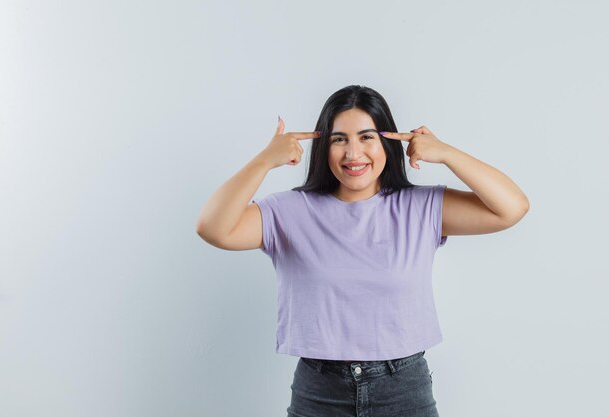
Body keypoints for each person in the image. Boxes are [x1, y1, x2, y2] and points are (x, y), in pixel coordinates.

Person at [196, 85, 529, 416]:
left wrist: (446, 153)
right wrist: (264, 161)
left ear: (387, 143)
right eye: (339, 139)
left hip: (403, 390)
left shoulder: (422, 207)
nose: (353, 154)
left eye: (367, 137)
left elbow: (511, 208)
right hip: (319, 391)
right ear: (324, 147)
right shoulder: (289, 211)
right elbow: (212, 228)